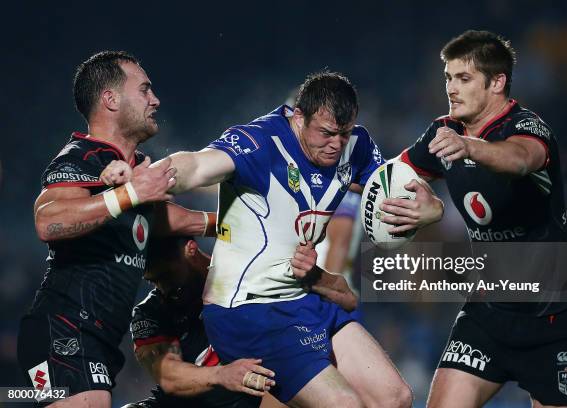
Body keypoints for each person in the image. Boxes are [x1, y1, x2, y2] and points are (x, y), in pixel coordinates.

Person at [103, 71, 444, 407]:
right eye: (326, 133)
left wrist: (432, 209)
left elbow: (391, 190)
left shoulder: (354, 145)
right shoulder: (259, 143)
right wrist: (144, 178)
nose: (336, 144)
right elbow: (195, 165)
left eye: (344, 133)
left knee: (395, 398)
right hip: (249, 311)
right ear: (299, 117)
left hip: (305, 295)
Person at [394, 30, 567, 407]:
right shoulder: (444, 130)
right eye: (448, 78)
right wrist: (424, 208)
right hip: (488, 311)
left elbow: (519, 159)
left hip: (553, 317)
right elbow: (389, 177)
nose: (451, 88)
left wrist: (470, 147)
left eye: (464, 79)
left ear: (497, 82)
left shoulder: (529, 129)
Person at [17, 51, 212, 408]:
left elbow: (185, 221)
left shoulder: (134, 171)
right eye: (145, 90)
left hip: (97, 341)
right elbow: (48, 222)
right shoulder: (83, 155)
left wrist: (241, 226)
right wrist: (131, 193)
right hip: (63, 330)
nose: (155, 100)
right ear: (110, 99)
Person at [121, 233, 360, 408]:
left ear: (190, 249)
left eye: (166, 276)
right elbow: (168, 375)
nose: (164, 288)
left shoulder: (247, 273)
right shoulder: (151, 312)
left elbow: (348, 300)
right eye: (154, 281)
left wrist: (310, 276)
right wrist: (222, 376)